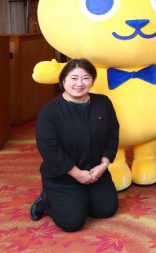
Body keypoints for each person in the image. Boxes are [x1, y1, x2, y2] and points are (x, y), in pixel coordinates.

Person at [31, 59, 119, 232]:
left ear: (92, 80)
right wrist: (77, 174)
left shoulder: (103, 103)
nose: (80, 83)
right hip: (63, 175)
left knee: (106, 210)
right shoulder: (50, 111)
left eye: (86, 78)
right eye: (73, 78)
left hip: (95, 171)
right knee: (72, 222)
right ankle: (47, 198)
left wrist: (103, 165)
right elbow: (49, 149)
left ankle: (81, 197)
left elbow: (112, 135)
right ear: (63, 80)